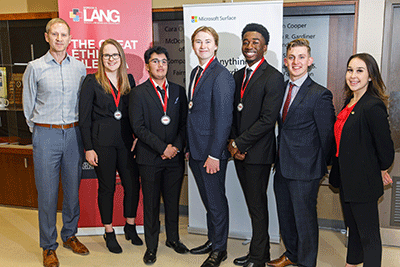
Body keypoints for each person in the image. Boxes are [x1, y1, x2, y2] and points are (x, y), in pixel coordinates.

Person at [22, 18, 89, 267]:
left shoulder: (80, 68)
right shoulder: (35, 67)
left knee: (72, 191)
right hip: (46, 135)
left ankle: (69, 235)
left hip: (73, 135)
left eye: (64, 34)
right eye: (55, 34)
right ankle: (48, 246)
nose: (60, 39)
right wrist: (40, 131)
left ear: (70, 38)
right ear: (46, 36)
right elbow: (28, 106)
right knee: (48, 195)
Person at [267, 38, 335, 267]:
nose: (296, 62)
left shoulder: (320, 94)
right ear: (286, 61)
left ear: (310, 60)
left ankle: (306, 263)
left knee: (304, 220)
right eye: (292, 57)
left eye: (301, 57)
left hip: (306, 169)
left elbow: (327, 136)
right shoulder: (281, 89)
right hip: (282, 166)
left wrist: (320, 166)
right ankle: (292, 254)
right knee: (286, 218)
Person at [329, 53, 394, 267]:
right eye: (350, 70)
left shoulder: (373, 106)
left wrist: (381, 168)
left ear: (370, 77)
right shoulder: (350, 102)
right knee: (353, 229)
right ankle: (352, 263)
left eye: (359, 71)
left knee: (369, 235)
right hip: (347, 179)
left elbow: (385, 149)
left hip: (363, 181)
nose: (353, 75)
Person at [228, 23, 285, 267]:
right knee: (253, 205)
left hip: (258, 154)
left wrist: (239, 143)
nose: (250, 46)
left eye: (255, 42)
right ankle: (256, 251)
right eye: (246, 41)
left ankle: (259, 257)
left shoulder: (273, 77)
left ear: (265, 46)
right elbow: (233, 114)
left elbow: (267, 120)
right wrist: (232, 144)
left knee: (258, 206)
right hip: (239, 152)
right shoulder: (238, 75)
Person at [79, 39, 142, 254]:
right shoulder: (91, 81)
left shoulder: (129, 80)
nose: (111, 59)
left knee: (132, 185)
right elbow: (84, 118)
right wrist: (88, 148)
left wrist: (137, 136)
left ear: (121, 57)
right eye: (106, 55)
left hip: (126, 142)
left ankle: (130, 225)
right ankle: (108, 231)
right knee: (107, 187)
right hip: (101, 144)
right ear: (101, 58)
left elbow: (135, 112)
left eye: (115, 55)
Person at [130, 46, 189, 264]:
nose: (160, 65)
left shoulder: (178, 91)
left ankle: (173, 239)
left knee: (172, 202)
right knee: (152, 205)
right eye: (155, 61)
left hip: (174, 158)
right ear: (147, 66)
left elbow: (184, 124)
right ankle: (152, 247)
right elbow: (138, 126)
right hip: (149, 159)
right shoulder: (138, 93)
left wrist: (174, 147)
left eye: (164, 61)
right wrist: (162, 148)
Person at [187, 26, 235, 267]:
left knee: (216, 201)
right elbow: (194, 112)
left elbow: (225, 118)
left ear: (216, 45)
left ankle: (219, 249)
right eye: (198, 41)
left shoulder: (221, 75)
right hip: (195, 150)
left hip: (211, 153)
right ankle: (212, 240)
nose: (202, 45)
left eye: (207, 41)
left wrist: (215, 154)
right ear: (193, 46)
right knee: (208, 200)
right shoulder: (196, 72)